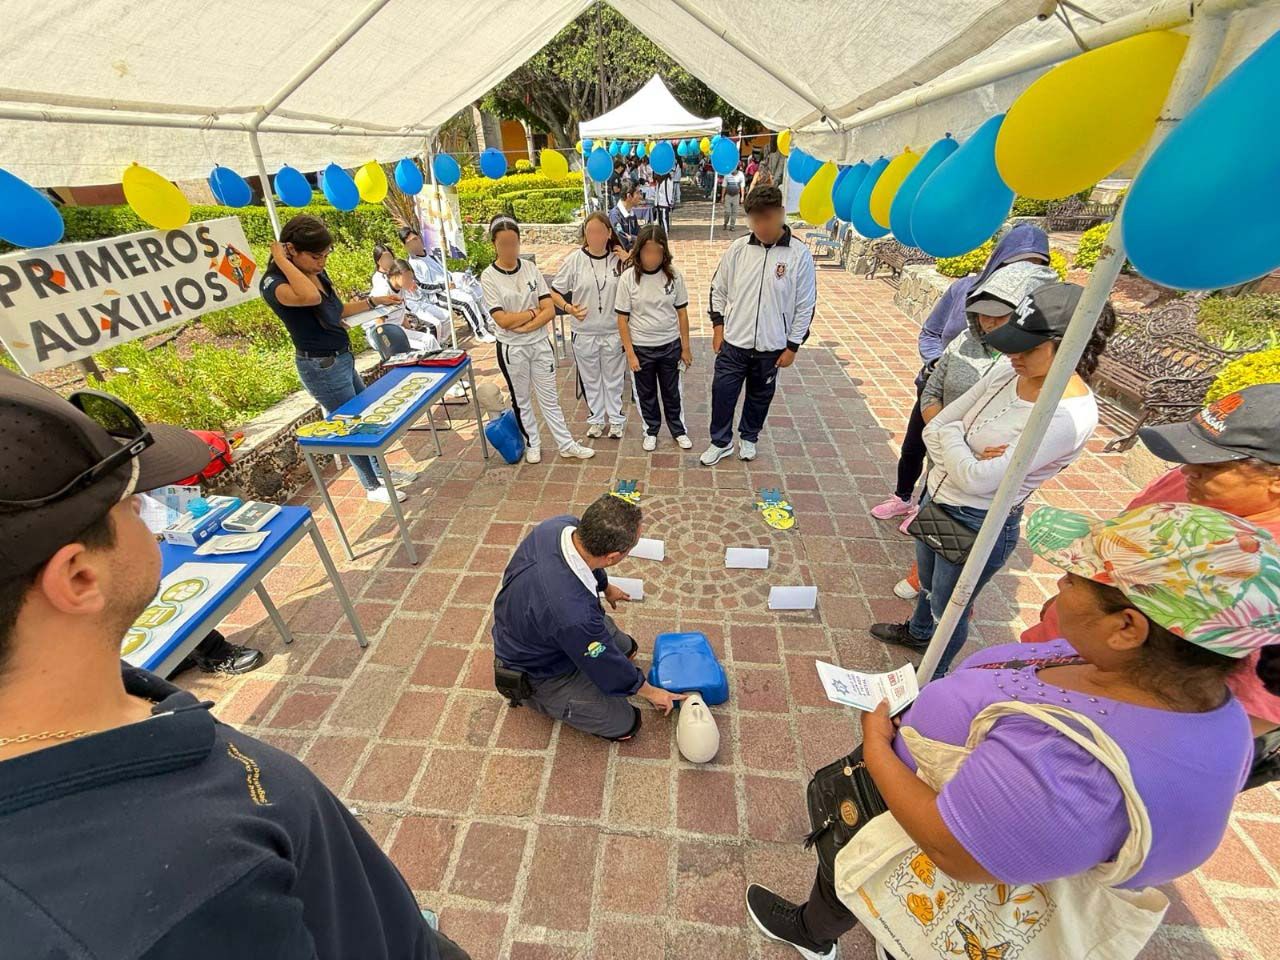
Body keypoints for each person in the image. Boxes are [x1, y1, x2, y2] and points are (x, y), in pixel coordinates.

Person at [0, 371, 470, 960]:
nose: (150, 509)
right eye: (131, 503)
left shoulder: (95, 714)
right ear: (78, 577)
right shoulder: (179, 898)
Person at [746, 500, 1276, 960]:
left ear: (1127, 628)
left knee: (892, 902)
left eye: (1073, 580)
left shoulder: (1076, 766)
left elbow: (954, 851)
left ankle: (821, 936)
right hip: (930, 815)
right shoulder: (1199, 699)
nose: (1058, 587)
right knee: (881, 903)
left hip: (926, 851)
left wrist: (877, 746)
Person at [1022, 384, 1280, 789]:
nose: (1187, 470)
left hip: (1097, 729)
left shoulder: (1266, 572)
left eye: (1212, 463)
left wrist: (1099, 760)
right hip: (1056, 662)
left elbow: (1253, 711)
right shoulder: (1187, 481)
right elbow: (1108, 552)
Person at [870, 282, 1113, 676]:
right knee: (928, 584)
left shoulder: (1068, 417)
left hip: (976, 520)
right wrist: (960, 442)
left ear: (1073, 347)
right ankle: (917, 632)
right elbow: (934, 427)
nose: (1013, 354)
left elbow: (977, 481)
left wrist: (956, 439)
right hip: (938, 496)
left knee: (951, 606)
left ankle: (931, 678)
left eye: (1029, 348)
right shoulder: (1005, 370)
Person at [891, 260, 1061, 600]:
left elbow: (979, 477)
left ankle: (928, 618)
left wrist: (949, 437)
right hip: (943, 467)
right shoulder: (966, 341)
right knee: (932, 546)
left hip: (973, 499)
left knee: (950, 597)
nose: (989, 323)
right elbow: (932, 392)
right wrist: (960, 445)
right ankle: (919, 613)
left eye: (1001, 315)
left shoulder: (1025, 375)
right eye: (983, 312)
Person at [870, 224, 1053, 524]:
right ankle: (903, 497)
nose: (1023, 275)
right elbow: (930, 333)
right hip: (939, 388)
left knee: (947, 461)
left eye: (1036, 266)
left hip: (976, 417)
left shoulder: (1036, 327)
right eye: (1016, 265)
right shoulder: (964, 292)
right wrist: (938, 363)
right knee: (915, 446)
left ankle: (927, 508)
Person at [491, 493, 685, 740]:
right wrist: (649, 691)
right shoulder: (575, 615)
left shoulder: (560, 526)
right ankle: (535, 697)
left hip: (543, 621)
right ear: (614, 557)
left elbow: (591, 566)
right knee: (626, 724)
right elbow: (604, 662)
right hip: (539, 669)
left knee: (627, 649)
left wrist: (605, 587)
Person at [260, 214, 408, 504]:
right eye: (316, 256)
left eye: (326, 254)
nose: (322, 262)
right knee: (350, 424)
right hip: (320, 365)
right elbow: (310, 298)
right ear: (291, 250)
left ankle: (381, 473)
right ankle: (372, 485)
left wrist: (373, 302)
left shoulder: (312, 272)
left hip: (340, 357)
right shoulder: (274, 282)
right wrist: (283, 261)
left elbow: (334, 309)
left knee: (365, 417)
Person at [700, 185, 817, 466]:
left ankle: (749, 437)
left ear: (780, 214)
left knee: (760, 395)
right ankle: (720, 441)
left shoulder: (798, 255)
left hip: (772, 346)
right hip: (734, 343)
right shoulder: (739, 249)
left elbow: (805, 306)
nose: (760, 225)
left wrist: (793, 346)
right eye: (754, 219)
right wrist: (718, 327)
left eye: (766, 218)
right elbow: (718, 288)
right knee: (723, 392)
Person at [480, 215, 595, 464]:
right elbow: (502, 320)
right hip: (512, 349)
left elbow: (549, 309)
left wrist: (528, 321)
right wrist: (533, 314)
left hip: (539, 344)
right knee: (521, 399)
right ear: (494, 245)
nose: (510, 249)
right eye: (504, 244)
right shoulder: (489, 276)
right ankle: (533, 442)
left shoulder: (530, 269)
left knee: (549, 397)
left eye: (514, 243)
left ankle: (565, 443)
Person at [550, 212, 630, 440]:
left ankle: (616, 420)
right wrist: (568, 308)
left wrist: (627, 258)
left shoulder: (618, 259)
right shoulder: (575, 260)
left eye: (599, 231)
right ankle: (596, 419)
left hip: (613, 331)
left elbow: (639, 279)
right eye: (590, 231)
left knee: (614, 378)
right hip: (584, 332)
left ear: (608, 233)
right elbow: (555, 291)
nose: (594, 236)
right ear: (585, 234)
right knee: (591, 378)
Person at [616, 224, 693, 453]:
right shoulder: (629, 279)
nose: (653, 257)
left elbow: (682, 313)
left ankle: (678, 430)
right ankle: (650, 430)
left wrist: (685, 348)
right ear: (639, 250)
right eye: (648, 250)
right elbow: (622, 319)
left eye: (658, 251)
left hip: (669, 345)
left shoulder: (673, 276)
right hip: (641, 347)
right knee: (646, 393)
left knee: (672, 392)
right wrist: (630, 353)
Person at [398, 226, 496, 344]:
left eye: (415, 239)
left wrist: (458, 278)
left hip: (451, 284)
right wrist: (444, 286)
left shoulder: (432, 255)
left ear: (419, 238)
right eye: (410, 243)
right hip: (437, 294)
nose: (414, 244)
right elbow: (422, 286)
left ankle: (491, 322)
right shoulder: (413, 263)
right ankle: (480, 332)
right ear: (406, 246)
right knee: (467, 301)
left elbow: (443, 270)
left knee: (477, 288)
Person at [385, 260, 445, 352]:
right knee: (424, 347)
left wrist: (411, 331)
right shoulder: (383, 291)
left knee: (430, 340)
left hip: (400, 331)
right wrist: (387, 346)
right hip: (389, 336)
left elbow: (401, 314)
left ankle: (440, 362)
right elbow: (379, 324)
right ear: (398, 275)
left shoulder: (401, 290)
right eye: (408, 278)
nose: (410, 281)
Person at [609, 182, 644, 252]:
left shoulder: (631, 214)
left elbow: (641, 235)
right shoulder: (615, 215)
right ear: (629, 196)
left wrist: (632, 238)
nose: (640, 196)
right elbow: (622, 240)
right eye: (637, 193)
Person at [721, 163, 746, 231]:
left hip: (736, 196)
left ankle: (732, 226)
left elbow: (742, 187)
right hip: (728, 195)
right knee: (727, 211)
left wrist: (742, 197)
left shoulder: (741, 175)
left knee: (734, 212)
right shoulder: (727, 175)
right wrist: (722, 197)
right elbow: (724, 186)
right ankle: (725, 223)